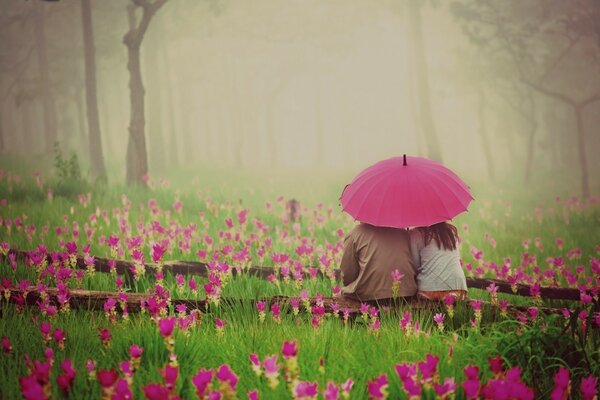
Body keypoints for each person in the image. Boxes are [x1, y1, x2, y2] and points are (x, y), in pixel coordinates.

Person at [340, 223, 417, 302]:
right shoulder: (403, 233)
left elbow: (347, 273)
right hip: (407, 293)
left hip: (370, 295)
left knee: (346, 292)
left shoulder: (356, 232)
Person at [409, 222, 468, 301]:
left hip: (428, 291)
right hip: (458, 289)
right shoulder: (451, 231)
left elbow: (415, 266)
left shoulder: (415, 234)